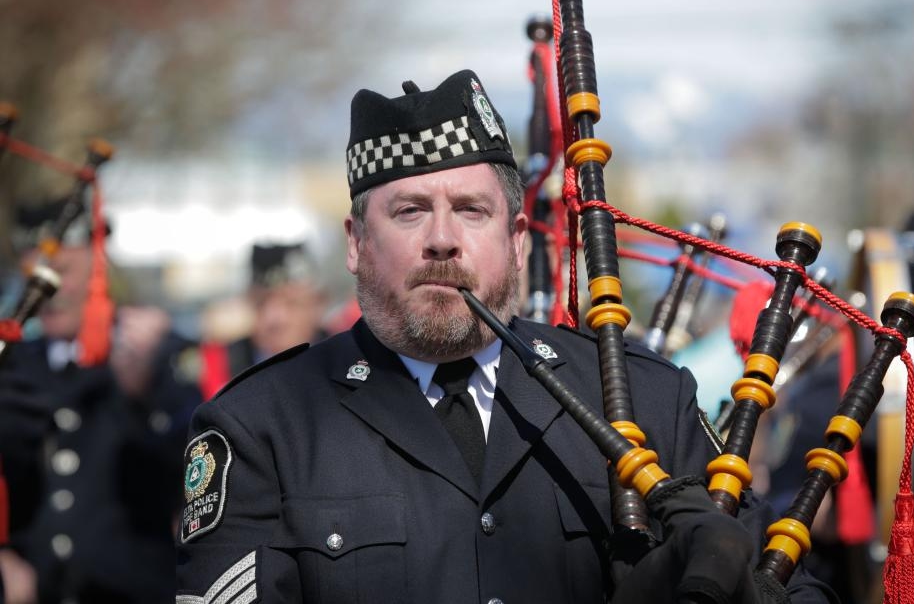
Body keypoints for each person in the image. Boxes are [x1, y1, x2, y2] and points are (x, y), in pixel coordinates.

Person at [175, 69, 837, 603]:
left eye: (471, 210)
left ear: (518, 241)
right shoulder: (263, 426)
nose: (442, 238)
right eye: (408, 211)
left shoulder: (642, 400)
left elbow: (793, 585)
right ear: (355, 243)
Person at [0, 196, 203, 604]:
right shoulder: (13, 364)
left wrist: (140, 395)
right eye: (35, 276)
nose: (49, 291)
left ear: (96, 268)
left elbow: (193, 468)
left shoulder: (155, 354)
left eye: (60, 273)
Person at [196, 241, 330, 398]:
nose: (275, 318)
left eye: (291, 303)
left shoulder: (345, 359)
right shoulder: (220, 367)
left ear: (318, 304)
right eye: (261, 303)